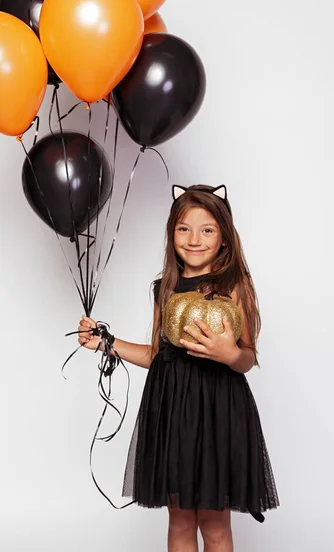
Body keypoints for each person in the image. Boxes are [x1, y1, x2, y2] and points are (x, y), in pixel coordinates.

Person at [78, 184, 279, 552]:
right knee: (181, 518)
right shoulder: (164, 288)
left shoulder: (236, 285)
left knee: (215, 522)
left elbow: (248, 356)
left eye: (207, 230)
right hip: (172, 409)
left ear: (223, 238)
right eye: (184, 228)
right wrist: (106, 342)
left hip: (219, 408)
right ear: (172, 234)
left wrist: (228, 354)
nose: (194, 239)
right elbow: (158, 354)